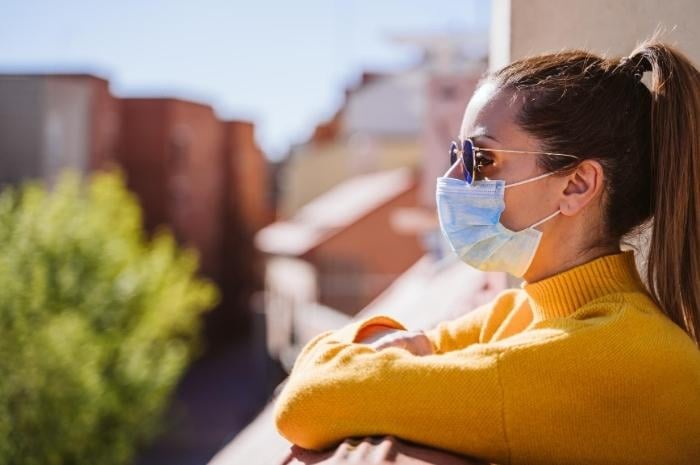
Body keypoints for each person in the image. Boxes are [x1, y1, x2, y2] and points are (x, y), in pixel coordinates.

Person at [273, 38, 700, 465]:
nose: (453, 177)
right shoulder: (519, 313)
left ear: (577, 185)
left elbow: (307, 402)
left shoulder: (609, 359)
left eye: (483, 159)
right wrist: (388, 343)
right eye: (456, 154)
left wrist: (387, 346)